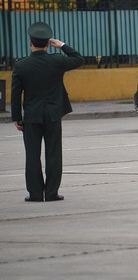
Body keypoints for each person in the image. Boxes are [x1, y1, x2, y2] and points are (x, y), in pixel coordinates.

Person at [11, 22, 84, 202]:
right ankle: (51, 193)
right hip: (52, 115)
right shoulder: (57, 60)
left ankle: (35, 194)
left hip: (32, 117)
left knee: (32, 156)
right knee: (53, 154)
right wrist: (62, 45)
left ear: (30, 44)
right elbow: (79, 59)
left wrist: (17, 118)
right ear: (47, 44)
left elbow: (15, 95)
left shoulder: (21, 66)